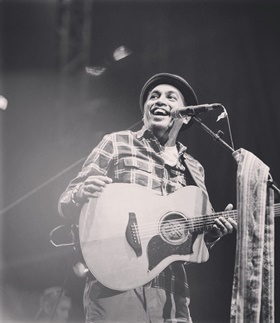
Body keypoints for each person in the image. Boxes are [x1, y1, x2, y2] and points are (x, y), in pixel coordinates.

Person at [58, 73, 237, 322]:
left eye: (170, 97)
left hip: (173, 291)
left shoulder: (194, 169)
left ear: (186, 115)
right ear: (144, 110)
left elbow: (189, 242)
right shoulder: (117, 143)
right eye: (153, 97)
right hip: (116, 283)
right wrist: (81, 193)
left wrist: (212, 234)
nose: (159, 101)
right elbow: (66, 201)